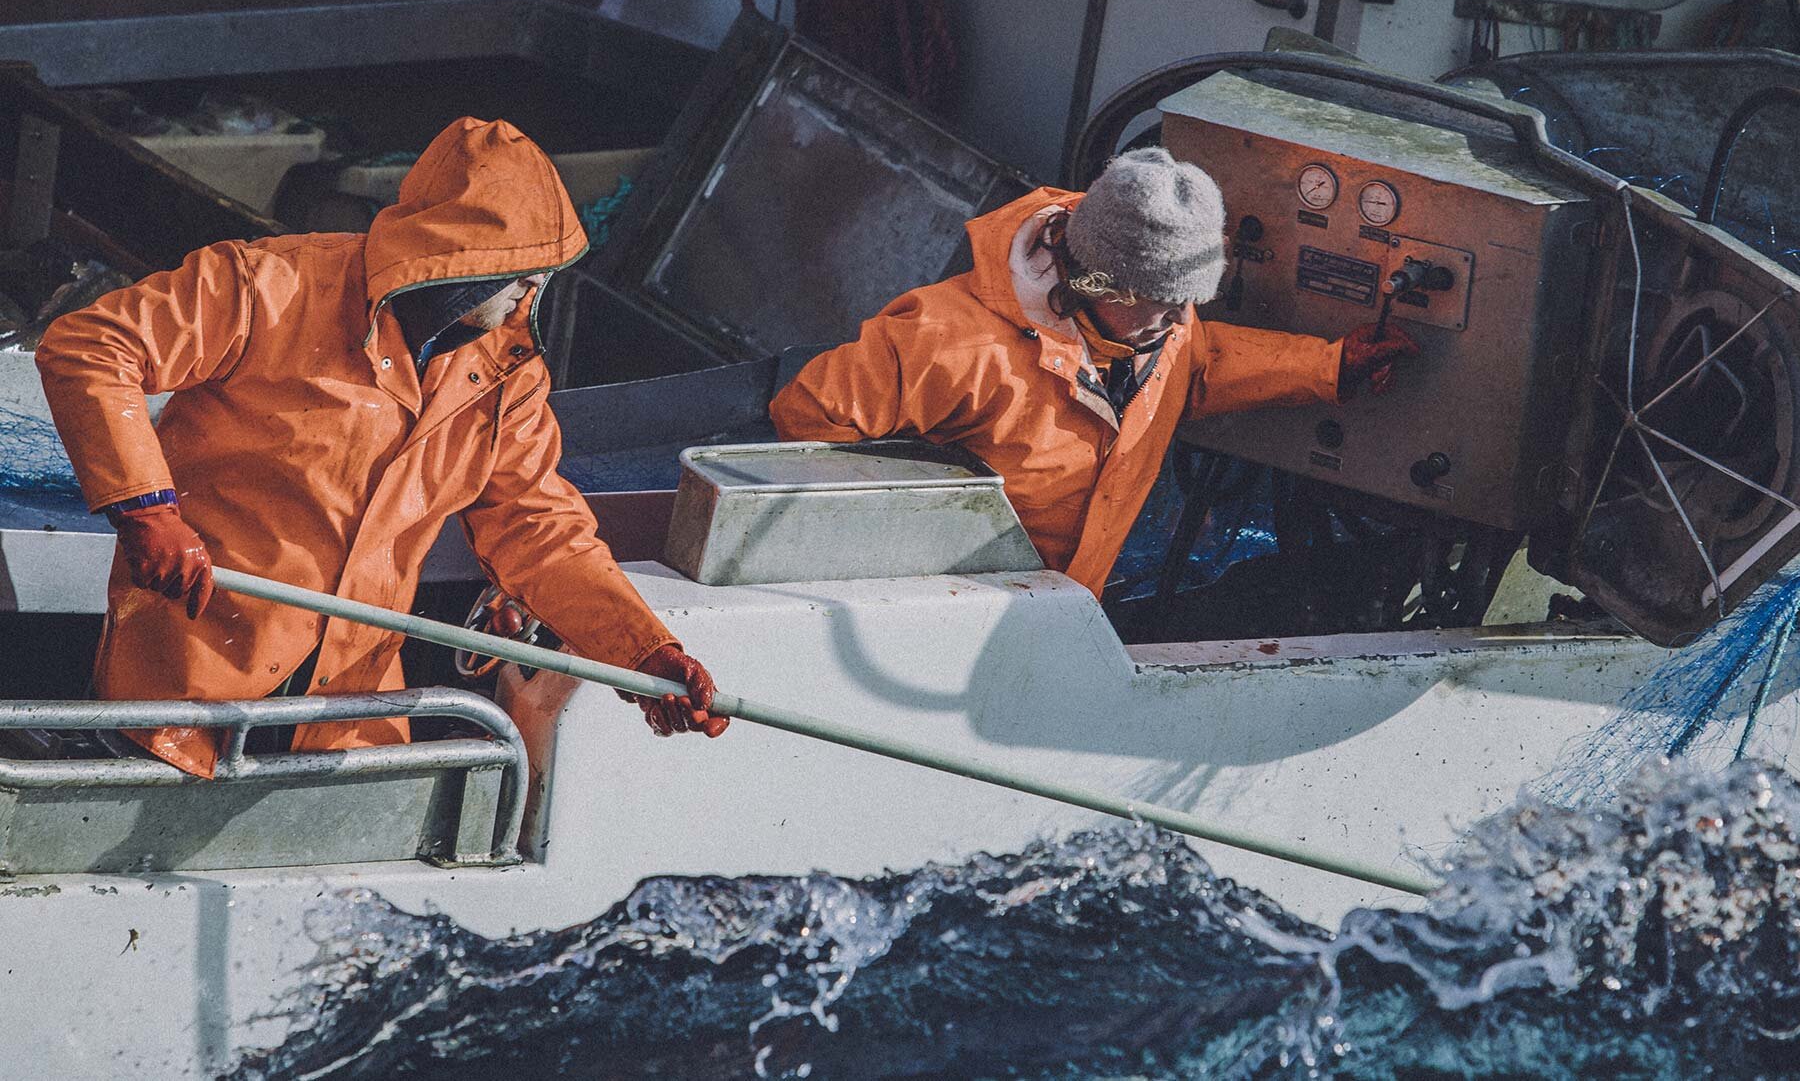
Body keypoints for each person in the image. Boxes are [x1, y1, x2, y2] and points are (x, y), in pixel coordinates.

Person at [36, 116, 724, 779]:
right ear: (467, 263)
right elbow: (91, 347)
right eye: (521, 274)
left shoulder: (509, 379)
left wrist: (644, 652)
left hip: (348, 721)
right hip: (183, 695)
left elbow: (540, 530)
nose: (531, 294)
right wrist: (148, 510)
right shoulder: (266, 285)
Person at [770, 147, 1420, 599]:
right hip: (941, 613)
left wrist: (1331, 365)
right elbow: (807, 415)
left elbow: (1196, 368)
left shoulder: (1161, 326)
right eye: (1164, 305)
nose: (1177, 322)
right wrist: (901, 552)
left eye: (1186, 304)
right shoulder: (949, 339)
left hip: (1059, 615)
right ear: (1100, 281)